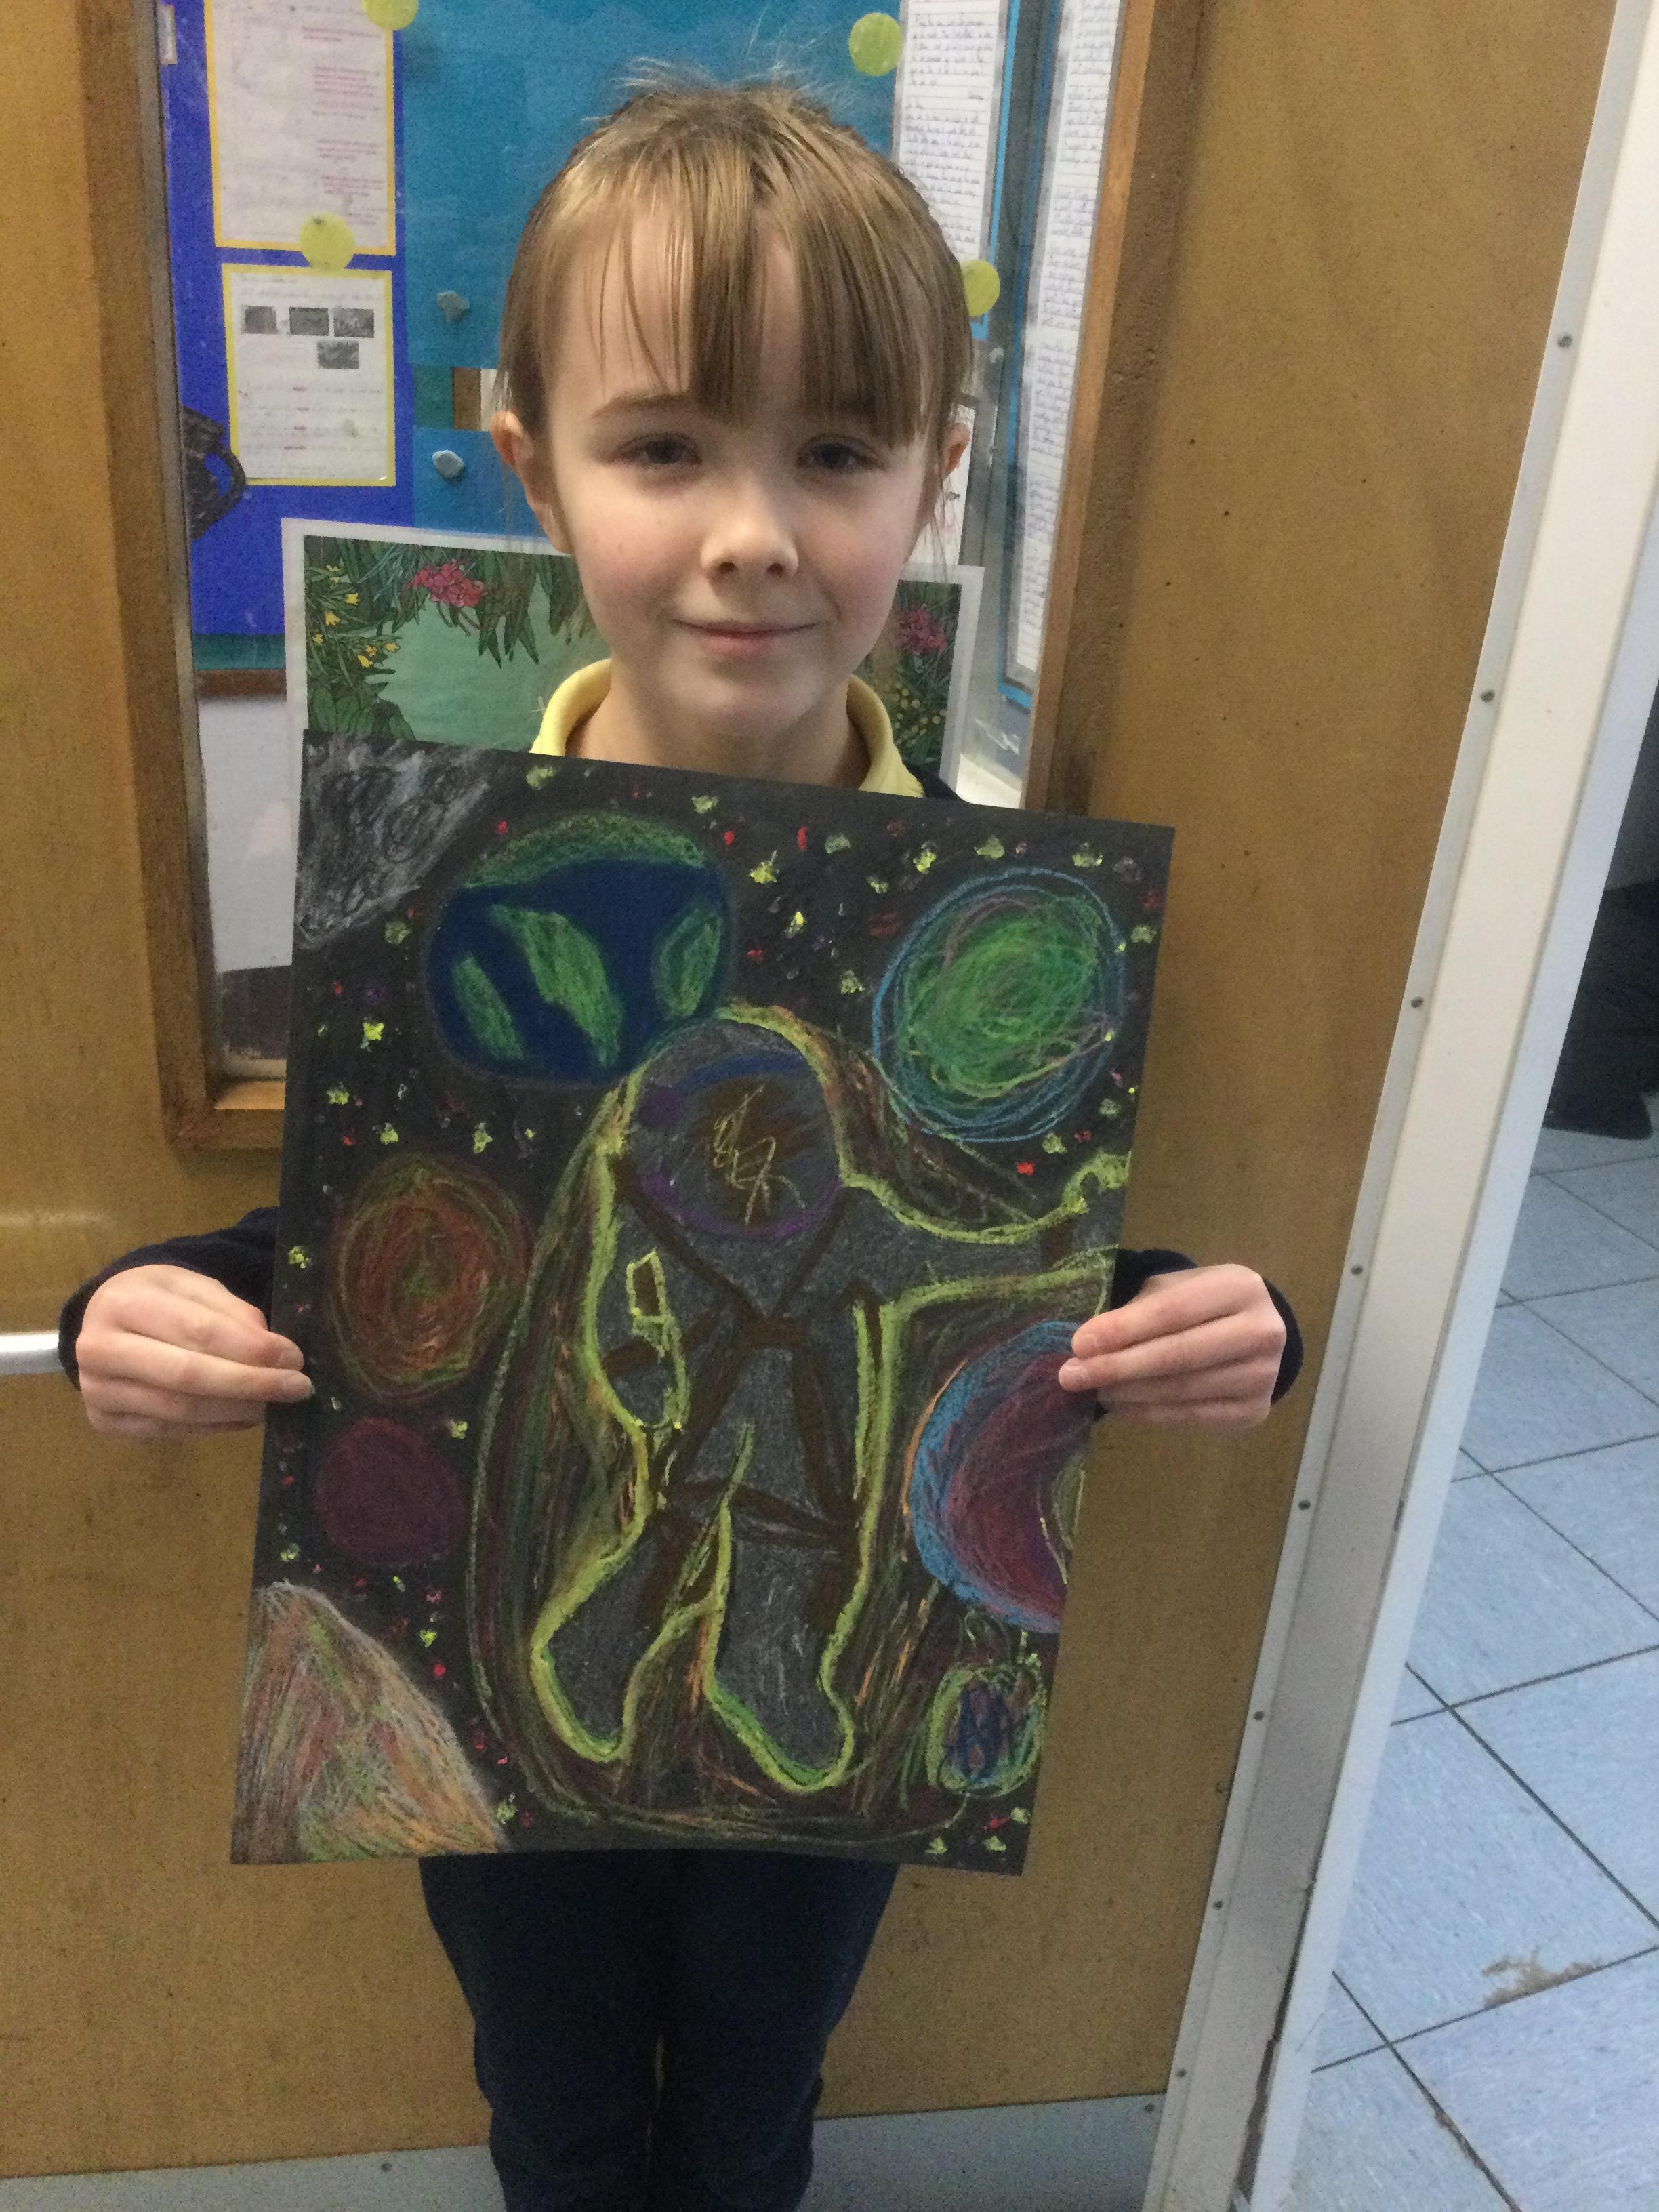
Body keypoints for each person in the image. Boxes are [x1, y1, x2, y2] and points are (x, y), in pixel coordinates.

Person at [60, 76, 1301, 2212]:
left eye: (836, 451)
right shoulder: (454, 902)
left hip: (821, 1671)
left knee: (754, 2088)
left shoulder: (988, 951)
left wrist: (1209, 1314)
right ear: (533, 464)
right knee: (547, 2085)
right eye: (664, 448)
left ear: (938, 476)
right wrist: (135, 1304)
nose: (753, 532)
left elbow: (989, 1265)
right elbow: (388, 1231)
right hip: (516, 1641)